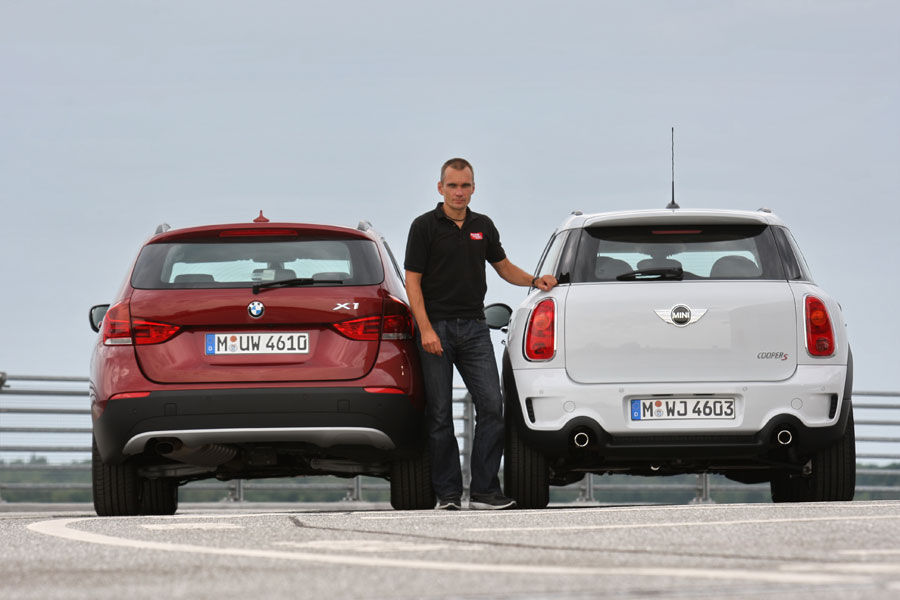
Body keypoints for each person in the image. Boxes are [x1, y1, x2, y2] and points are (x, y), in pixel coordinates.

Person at [404, 157, 558, 510]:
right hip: (436, 328)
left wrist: (536, 280)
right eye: (452, 185)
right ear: (440, 188)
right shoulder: (423, 226)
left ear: (473, 188)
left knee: (492, 405)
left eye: (465, 185)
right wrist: (425, 329)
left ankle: (484, 491)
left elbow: (503, 268)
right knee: (439, 413)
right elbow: (413, 282)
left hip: (475, 328)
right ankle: (447, 495)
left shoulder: (482, 226)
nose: (459, 192)